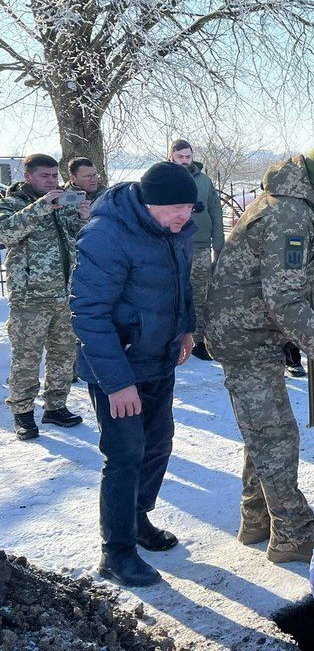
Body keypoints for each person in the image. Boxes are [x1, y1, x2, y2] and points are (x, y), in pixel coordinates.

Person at [206, 146, 314, 564]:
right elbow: (285, 300)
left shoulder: (293, 204)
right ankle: (292, 534)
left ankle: (257, 519)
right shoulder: (289, 215)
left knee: (264, 431)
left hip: (253, 331)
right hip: (245, 336)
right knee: (276, 435)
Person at [70, 162, 197, 587]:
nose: (184, 216)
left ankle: (138, 518)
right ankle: (117, 551)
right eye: (176, 207)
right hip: (119, 367)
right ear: (150, 203)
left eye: (189, 207)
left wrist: (186, 328)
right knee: (125, 456)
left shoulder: (176, 231)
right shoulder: (107, 235)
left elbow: (181, 285)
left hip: (159, 358)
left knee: (158, 445)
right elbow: (89, 313)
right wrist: (118, 383)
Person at [1, 154, 89, 440]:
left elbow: (76, 239)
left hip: (64, 294)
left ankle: (56, 406)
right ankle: (23, 414)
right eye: (45, 176)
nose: (52, 181)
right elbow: (4, 234)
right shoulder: (13, 203)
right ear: (28, 176)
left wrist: (83, 219)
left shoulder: (63, 202)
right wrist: (41, 206)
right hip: (30, 297)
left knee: (63, 354)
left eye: (54, 176)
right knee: (26, 358)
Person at [167, 140, 224, 361]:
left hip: (199, 245)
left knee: (200, 294)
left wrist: (218, 245)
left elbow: (216, 212)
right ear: (171, 156)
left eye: (187, 157)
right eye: (180, 156)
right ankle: (171, 339)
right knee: (171, 293)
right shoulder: (162, 178)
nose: (184, 160)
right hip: (171, 246)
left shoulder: (204, 181)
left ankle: (199, 340)